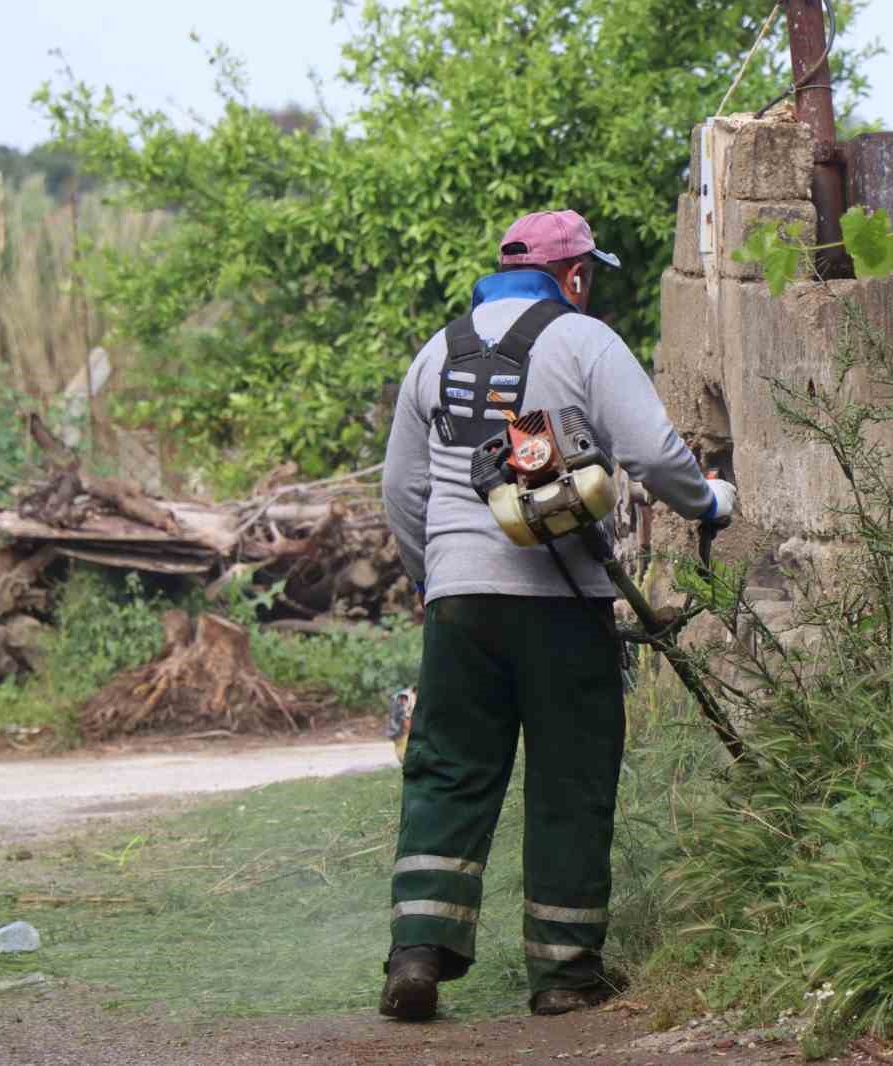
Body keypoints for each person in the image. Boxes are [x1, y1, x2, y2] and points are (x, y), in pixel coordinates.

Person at [379, 209, 738, 1020]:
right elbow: (650, 453)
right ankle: (566, 971)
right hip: (562, 603)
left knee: (448, 766)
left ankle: (418, 952)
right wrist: (707, 503)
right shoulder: (585, 340)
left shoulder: (435, 352)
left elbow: (403, 491)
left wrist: (433, 578)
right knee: (570, 775)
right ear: (573, 275)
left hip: (460, 602)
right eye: (590, 276)